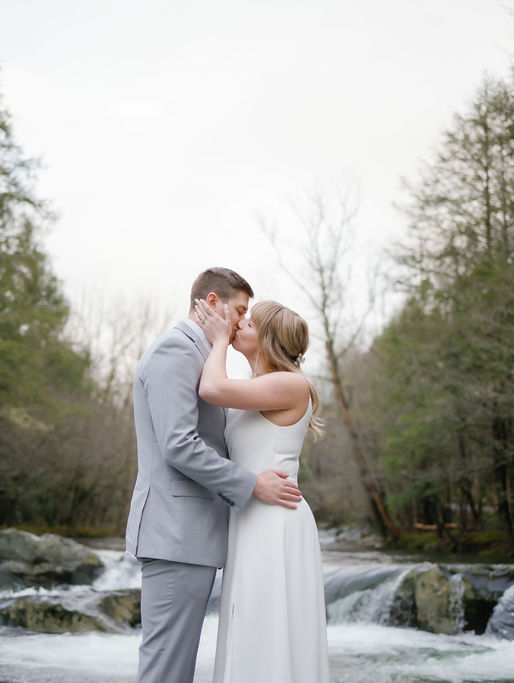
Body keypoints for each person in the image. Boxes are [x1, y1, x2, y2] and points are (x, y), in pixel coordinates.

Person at [125, 267, 303, 683]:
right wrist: (251, 484)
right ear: (211, 303)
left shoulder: (204, 358)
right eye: (239, 310)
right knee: (166, 667)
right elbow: (178, 444)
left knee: (175, 665)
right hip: (176, 536)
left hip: (192, 537)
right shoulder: (177, 351)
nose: (242, 321)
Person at [192, 297, 330, 683]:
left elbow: (212, 387)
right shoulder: (259, 386)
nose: (238, 327)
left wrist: (219, 341)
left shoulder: (290, 384)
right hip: (251, 513)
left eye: (248, 324)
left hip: (276, 520)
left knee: (267, 617)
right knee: (248, 616)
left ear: (267, 339)